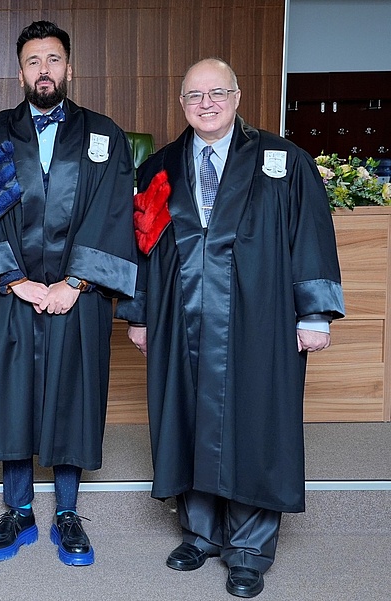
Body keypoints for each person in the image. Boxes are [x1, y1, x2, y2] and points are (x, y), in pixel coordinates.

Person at [118, 58, 344, 598]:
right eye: (194, 96)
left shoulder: (282, 161)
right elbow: (142, 246)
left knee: (255, 422)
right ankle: (199, 533)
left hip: (259, 320)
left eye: (217, 93)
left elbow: (309, 235)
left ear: (238, 97)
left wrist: (313, 314)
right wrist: (142, 315)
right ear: (181, 104)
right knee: (186, 418)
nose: (206, 104)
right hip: (180, 318)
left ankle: (247, 546)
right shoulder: (160, 167)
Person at [0, 21, 137, 566]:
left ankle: (66, 513)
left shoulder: (104, 135)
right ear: (20, 72)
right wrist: (16, 281)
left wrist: (74, 284)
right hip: (14, 291)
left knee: (73, 394)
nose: (44, 70)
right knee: (12, 396)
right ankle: (17, 511)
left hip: (77, 296)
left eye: (53, 59)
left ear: (68, 67)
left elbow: (112, 216)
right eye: (33, 61)